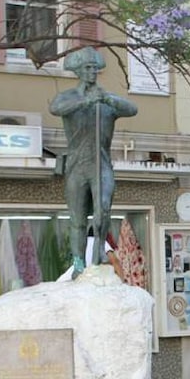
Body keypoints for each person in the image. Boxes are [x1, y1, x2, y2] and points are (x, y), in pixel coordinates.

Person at [49, 47, 138, 277]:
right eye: (87, 68)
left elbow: (132, 109)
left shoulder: (105, 100)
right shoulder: (68, 97)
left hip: (101, 164)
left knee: (103, 210)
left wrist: (106, 99)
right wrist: (85, 103)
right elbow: (55, 108)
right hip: (77, 166)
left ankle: (98, 254)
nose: (92, 72)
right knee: (78, 220)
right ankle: (79, 264)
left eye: (95, 68)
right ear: (78, 71)